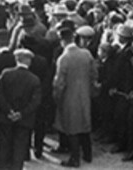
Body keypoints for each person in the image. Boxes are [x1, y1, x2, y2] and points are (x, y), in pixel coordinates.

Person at [53, 26, 97, 167]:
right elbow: (94, 74)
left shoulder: (64, 58)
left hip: (69, 97)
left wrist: (57, 97)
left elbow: (60, 83)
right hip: (84, 95)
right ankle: (88, 154)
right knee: (84, 124)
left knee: (72, 128)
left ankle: (74, 159)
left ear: (62, 41)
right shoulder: (86, 54)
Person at [0, 48, 42, 170]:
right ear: (29, 62)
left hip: (5, 117)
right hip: (24, 120)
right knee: (19, 150)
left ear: (16, 59)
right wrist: (21, 114)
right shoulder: (34, 79)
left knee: (3, 148)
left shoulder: (5, 74)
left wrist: (8, 110)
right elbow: (35, 101)